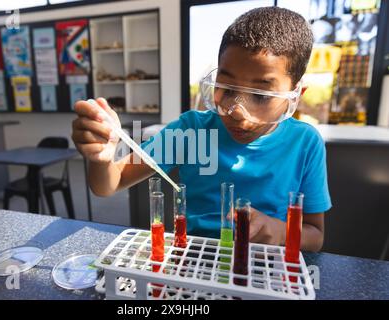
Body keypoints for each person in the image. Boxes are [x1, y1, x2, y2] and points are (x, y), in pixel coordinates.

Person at [71, 7, 331, 251]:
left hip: (264, 269)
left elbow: (315, 236)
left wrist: (282, 231)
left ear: (296, 95)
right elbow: (108, 185)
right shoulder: (191, 132)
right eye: (227, 90)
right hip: (193, 262)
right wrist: (102, 158)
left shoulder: (305, 143)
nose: (237, 112)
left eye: (261, 96)